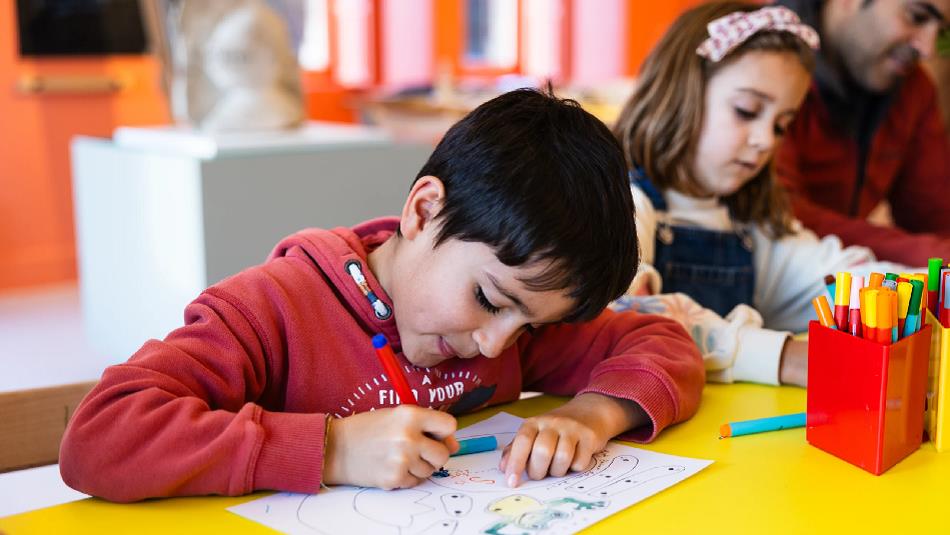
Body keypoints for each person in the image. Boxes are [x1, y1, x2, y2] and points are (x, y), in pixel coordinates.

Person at [58, 89, 705, 503]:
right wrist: (332, 449)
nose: (495, 343)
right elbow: (100, 435)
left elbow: (661, 339)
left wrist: (591, 416)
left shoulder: (516, 314)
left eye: (529, 326)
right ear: (424, 212)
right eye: (486, 297)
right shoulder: (273, 309)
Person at [611, 2, 911, 388]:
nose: (765, 140)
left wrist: (920, 290)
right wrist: (781, 357)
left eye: (782, 125)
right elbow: (629, 315)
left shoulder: (750, 223)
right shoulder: (626, 203)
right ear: (682, 91)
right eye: (747, 110)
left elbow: (838, 279)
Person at [774, 0, 950, 266]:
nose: (927, 49)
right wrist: (931, 255)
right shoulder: (763, 67)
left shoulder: (914, 91)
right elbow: (780, 215)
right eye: (917, 17)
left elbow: (936, 217)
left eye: (943, 33)